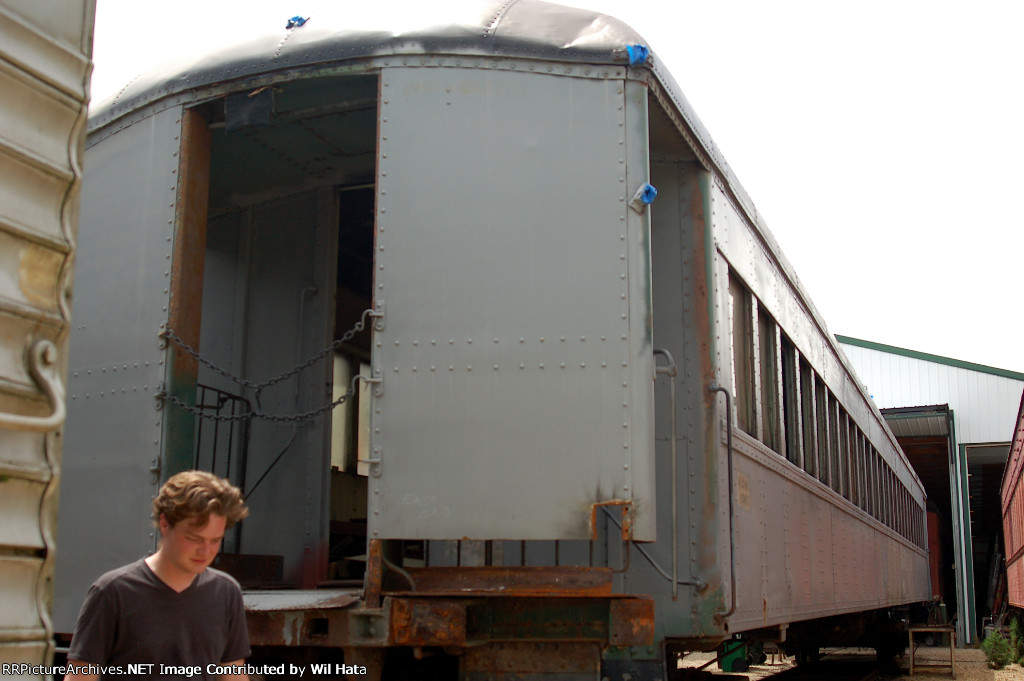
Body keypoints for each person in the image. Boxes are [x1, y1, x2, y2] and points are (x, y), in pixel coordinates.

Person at [64, 471, 251, 680]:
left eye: (215, 540)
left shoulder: (226, 592)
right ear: (164, 523)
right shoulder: (112, 592)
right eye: (194, 538)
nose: (205, 551)